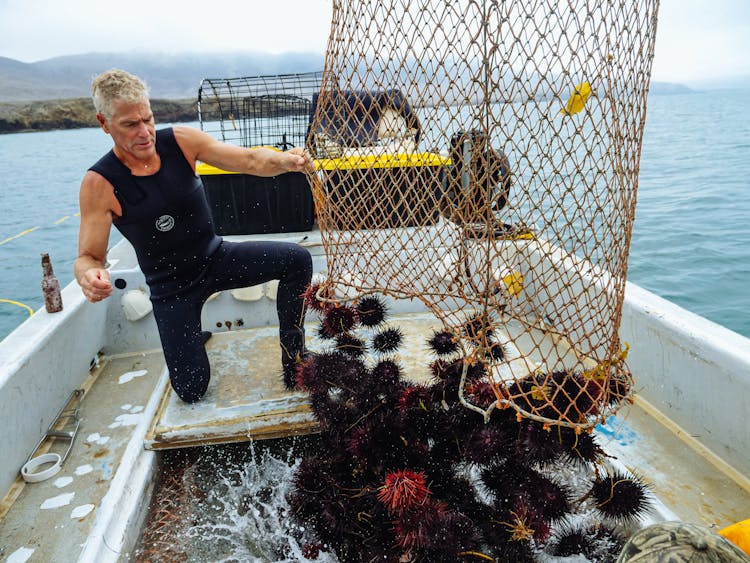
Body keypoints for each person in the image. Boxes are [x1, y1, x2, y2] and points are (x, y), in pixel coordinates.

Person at [75, 68, 313, 402]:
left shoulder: (181, 142)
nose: (144, 132)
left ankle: (296, 359)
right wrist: (90, 275)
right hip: (171, 289)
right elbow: (89, 258)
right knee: (191, 390)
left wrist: (284, 161)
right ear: (104, 123)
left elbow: (250, 160)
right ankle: (187, 338)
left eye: (148, 119)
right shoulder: (99, 183)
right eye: (130, 124)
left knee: (297, 260)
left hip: (216, 259)